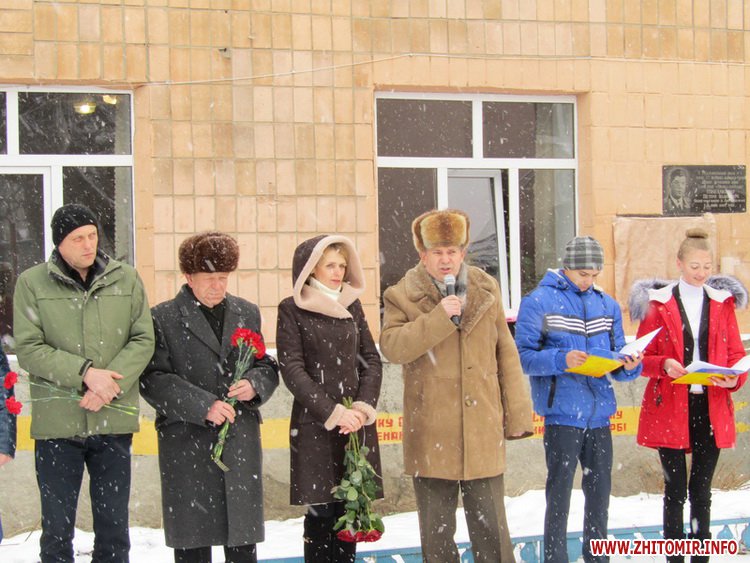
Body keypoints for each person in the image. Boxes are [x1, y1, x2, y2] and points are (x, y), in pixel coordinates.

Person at [380, 209, 533, 563]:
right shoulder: (402, 294)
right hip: (432, 431)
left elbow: (506, 353)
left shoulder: (486, 287)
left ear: (463, 252)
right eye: (437, 252)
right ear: (423, 255)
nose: (446, 259)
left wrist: (517, 414)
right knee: (437, 538)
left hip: (482, 429)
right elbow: (393, 347)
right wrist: (440, 317)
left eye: (452, 251)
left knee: (493, 531)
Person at [13, 203, 155, 563]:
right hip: (58, 426)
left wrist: (109, 386)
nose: (89, 244)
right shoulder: (31, 283)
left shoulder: (126, 278)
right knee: (57, 530)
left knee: (114, 529)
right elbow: (29, 349)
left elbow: (143, 339)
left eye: (92, 235)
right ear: (59, 242)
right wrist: (86, 374)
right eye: (78, 238)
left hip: (113, 420)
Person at [140, 231, 279, 563]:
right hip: (187, 443)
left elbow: (265, 363)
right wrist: (203, 405)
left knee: (242, 543)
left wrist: (254, 383)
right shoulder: (163, 317)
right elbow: (153, 379)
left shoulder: (246, 312)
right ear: (189, 278)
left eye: (223, 278)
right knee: (193, 545)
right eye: (209, 279)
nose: (217, 286)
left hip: (239, 443)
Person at [514, 235, 643, 563]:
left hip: (600, 415)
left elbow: (618, 358)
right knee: (559, 496)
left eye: (594, 275)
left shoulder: (607, 304)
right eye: (583, 274)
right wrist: (562, 359)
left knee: (600, 497)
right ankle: (555, 558)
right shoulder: (539, 301)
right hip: (562, 414)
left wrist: (629, 365)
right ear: (567, 266)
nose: (588, 281)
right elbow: (524, 357)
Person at [628, 228, 747, 563]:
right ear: (679, 263)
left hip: (711, 406)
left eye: (707, 266)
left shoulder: (722, 303)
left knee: (702, 491)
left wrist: (732, 379)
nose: (701, 273)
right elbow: (641, 358)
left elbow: (737, 355)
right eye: (695, 266)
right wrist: (664, 364)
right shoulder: (658, 302)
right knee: (676, 490)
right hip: (671, 406)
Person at [276, 234, 383, 562]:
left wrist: (361, 409)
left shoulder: (352, 304)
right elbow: (292, 369)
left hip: (354, 426)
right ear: (312, 269)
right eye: (330, 266)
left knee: (350, 512)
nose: (338, 272)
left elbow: (371, 360)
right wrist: (333, 412)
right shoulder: (292, 309)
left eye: (342, 265)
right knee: (321, 516)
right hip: (316, 425)